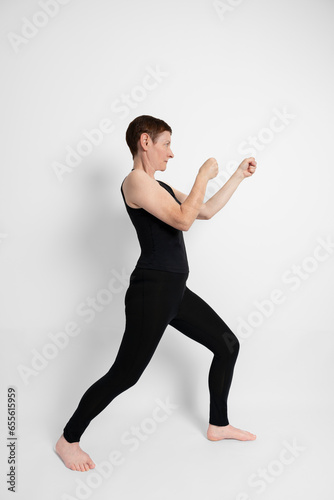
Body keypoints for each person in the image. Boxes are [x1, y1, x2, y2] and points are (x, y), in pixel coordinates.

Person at [55, 115, 257, 472]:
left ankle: (218, 424)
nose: (171, 152)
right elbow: (183, 219)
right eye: (166, 143)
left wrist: (237, 176)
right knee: (126, 374)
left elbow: (203, 210)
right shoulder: (135, 183)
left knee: (227, 345)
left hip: (176, 291)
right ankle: (68, 439)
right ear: (145, 142)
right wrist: (201, 176)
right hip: (152, 291)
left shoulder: (158, 187)